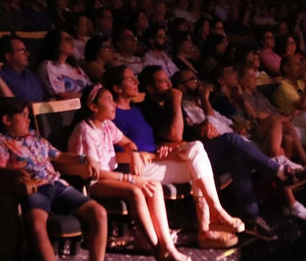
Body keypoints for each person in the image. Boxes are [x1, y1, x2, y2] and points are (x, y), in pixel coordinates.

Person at [0, 98, 114, 261]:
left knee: (98, 212)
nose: (29, 120)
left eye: (28, 115)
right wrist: (13, 173)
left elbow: (59, 155)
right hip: (34, 188)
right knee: (37, 224)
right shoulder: (0, 141)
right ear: (7, 120)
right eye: (24, 116)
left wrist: (84, 159)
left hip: (56, 184)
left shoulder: (35, 136)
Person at [152, 68, 306, 231]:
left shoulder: (203, 104)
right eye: (192, 80)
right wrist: (203, 104)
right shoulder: (178, 106)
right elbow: (198, 131)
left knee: (241, 157)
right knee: (255, 145)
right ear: (181, 87)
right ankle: (281, 172)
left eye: (197, 78)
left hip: (235, 143)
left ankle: (253, 217)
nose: (198, 82)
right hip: (206, 151)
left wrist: (234, 125)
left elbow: (226, 124)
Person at [101, 66, 244, 248]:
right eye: (130, 79)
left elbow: (151, 142)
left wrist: (164, 148)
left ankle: (208, 227)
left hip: (155, 160)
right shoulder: (111, 115)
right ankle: (210, 223)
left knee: (197, 158)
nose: (136, 82)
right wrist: (141, 155)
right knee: (197, 159)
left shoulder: (137, 110)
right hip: (134, 168)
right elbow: (113, 153)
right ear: (117, 88)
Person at [65, 86, 196, 261]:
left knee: (154, 186)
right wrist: (132, 179)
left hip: (112, 175)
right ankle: (159, 250)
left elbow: (127, 142)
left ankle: (167, 246)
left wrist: (133, 153)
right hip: (93, 182)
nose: (113, 105)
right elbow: (96, 173)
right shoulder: (85, 131)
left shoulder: (107, 125)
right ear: (94, 107)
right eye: (108, 100)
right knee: (136, 190)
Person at [0, 36, 45, 104]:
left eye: (26, 50)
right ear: (9, 57)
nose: (27, 54)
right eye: (22, 51)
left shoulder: (31, 74)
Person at [38, 31, 89, 97]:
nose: (71, 43)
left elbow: (88, 84)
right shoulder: (48, 66)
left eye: (71, 39)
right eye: (67, 39)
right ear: (55, 43)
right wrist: (87, 97)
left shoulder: (73, 65)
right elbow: (61, 94)